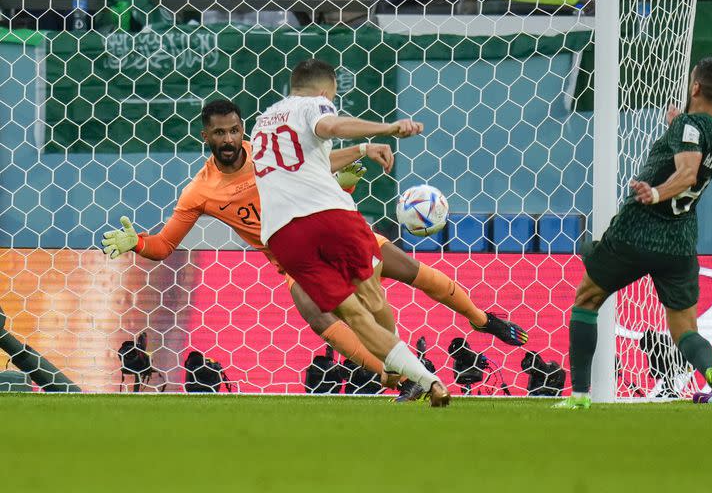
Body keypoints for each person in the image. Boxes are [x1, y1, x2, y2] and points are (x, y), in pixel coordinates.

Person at [101, 98, 527, 399]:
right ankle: (396, 376)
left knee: (412, 272)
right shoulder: (201, 192)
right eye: (219, 133)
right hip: (293, 259)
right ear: (206, 136)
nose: (229, 138)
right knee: (319, 316)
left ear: (243, 130)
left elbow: (318, 161)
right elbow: (164, 244)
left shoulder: (266, 153)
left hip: (331, 231)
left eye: (234, 129)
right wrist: (135, 242)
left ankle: (480, 319)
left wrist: (359, 152)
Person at [554, 57, 712, 410]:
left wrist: (656, 192)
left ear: (695, 87)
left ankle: (579, 397)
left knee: (587, 299)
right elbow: (698, 146)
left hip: (638, 232)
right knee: (684, 328)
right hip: (679, 242)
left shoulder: (688, 127)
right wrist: (679, 126)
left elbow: (689, 172)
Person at [249, 58, 452, 405]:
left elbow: (312, 164)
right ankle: (410, 367)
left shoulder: (262, 123)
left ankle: (422, 379)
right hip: (330, 216)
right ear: (327, 89)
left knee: (354, 317)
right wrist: (388, 129)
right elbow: (330, 126)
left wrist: (360, 151)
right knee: (372, 298)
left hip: (283, 236)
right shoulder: (314, 104)